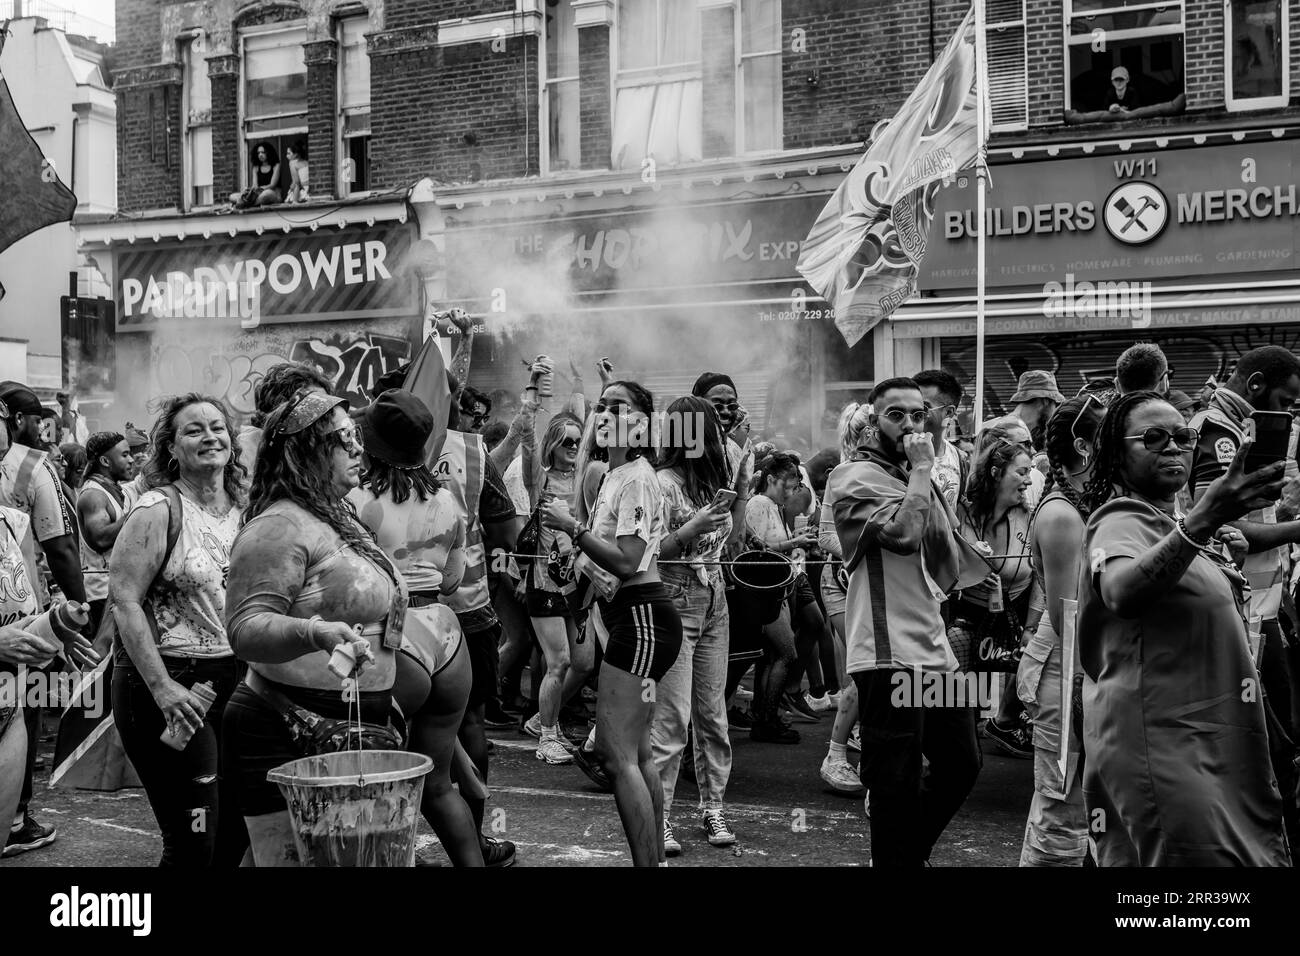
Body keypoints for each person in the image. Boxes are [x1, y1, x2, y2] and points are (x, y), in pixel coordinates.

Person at [1078, 390, 1290, 865]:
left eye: (1183, 436)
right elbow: (1121, 592)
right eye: (1153, 437)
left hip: (1202, 740)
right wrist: (1202, 521)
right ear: (1115, 453)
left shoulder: (1164, 523)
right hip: (1164, 745)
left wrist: (1213, 549)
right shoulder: (1118, 520)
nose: (1173, 446)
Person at [222, 389, 401, 866]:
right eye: (346, 438)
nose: (360, 447)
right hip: (284, 725)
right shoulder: (277, 527)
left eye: (357, 434)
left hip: (351, 721)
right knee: (285, 862)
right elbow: (243, 628)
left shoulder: (340, 514)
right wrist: (315, 633)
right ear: (308, 451)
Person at [829, 377, 988, 868]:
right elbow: (903, 534)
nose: (911, 424)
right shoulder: (852, 476)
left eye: (919, 414)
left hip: (934, 650)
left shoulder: (914, 475)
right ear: (873, 422)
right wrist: (923, 467)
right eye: (896, 415)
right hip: (885, 651)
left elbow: (947, 551)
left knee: (963, 763)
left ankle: (903, 856)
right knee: (894, 783)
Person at [540, 380, 683, 867]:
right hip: (631, 619)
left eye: (617, 407)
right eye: (601, 406)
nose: (604, 414)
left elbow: (628, 560)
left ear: (643, 422)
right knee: (638, 757)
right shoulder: (614, 476)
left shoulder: (639, 477)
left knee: (616, 756)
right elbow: (604, 567)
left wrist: (571, 527)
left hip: (642, 621)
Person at [109, 394, 246, 867]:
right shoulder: (156, 510)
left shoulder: (246, 510)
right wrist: (163, 688)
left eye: (218, 427)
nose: (210, 436)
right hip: (168, 689)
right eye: (194, 430)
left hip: (232, 685)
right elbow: (124, 602)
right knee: (194, 837)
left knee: (234, 834)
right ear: (171, 448)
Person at [348, 389, 482, 866]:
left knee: (372, 777)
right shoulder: (447, 500)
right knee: (437, 784)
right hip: (444, 635)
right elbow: (452, 580)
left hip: (389, 635)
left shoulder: (355, 500)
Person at [1187, 345, 1300, 850]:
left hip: (1260, 608)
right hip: (1236, 610)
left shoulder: (1247, 429)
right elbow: (1228, 528)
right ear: (1255, 387)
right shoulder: (1219, 433)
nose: (1291, 411)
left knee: (1278, 743)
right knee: (1269, 748)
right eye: (1286, 398)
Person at [0, 381, 85, 859]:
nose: (42, 428)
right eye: (36, 419)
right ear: (19, 420)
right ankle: (14, 817)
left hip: (15, 620)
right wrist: (78, 611)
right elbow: (60, 544)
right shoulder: (33, 465)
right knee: (21, 713)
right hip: (21, 621)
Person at [1018, 395, 1104, 865]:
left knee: (1088, 803)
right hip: (1066, 666)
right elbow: (1067, 616)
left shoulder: (1085, 503)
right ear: (1084, 447)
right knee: (1061, 804)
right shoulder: (1061, 516)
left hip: (1084, 663)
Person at [652, 396, 737, 855]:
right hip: (674, 596)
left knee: (713, 715)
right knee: (671, 719)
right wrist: (693, 527)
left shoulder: (712, 481)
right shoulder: (660, 483)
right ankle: (660, 816)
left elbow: (730, 539)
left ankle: (713, 806)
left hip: (715, 598)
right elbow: (649, 552)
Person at [953, 439, 1043, 758]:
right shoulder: (961, 509)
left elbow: (1041, 580)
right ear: (995, 473)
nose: (1029, 480)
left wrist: (1031, 627)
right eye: (1021, 472)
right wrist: (966, 561)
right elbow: (937, 564)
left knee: (1037, 647)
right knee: (956, 656)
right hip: (967, 612)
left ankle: (1003, 720)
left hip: (1015, 615)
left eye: (1030, 471)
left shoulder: (1031, 514)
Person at [744, 452, 820, 742]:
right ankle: (766, 720)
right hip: (764, 592)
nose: (790, 493)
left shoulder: (773, 506)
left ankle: (764, 718)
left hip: (777, 588)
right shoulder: (760, 503)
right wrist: (794, 542)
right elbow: (758, 551)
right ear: (771, 479)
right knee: (786, 653)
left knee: (772, 656)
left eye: (794, 487)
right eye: (786, 486)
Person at [816, 404, 871, 794]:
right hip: (840, 582)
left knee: (876, 674)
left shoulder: (897, 472)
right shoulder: (840, 475)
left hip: (874, 584)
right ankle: (835, 756)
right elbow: (824, 538)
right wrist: (865, 548)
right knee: (859, 673)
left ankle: (863, 741)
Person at [77, 432, 134, 638]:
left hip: (115, 588)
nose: (131, 459)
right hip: (100, 592)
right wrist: (135, 517)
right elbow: (100, 538)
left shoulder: (114, 489)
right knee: (103, 659)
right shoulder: (94, 495)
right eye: (125, 455)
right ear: (105, 461)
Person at [238, 362, 334, 479]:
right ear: (280, 414)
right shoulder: (244, 465)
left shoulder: (312, 456)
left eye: (325, 411)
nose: (323, 421)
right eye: (312, 409)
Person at [914, 369, 969, 510]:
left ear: (949, 412)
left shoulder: (959, 460)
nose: (914, 413)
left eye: (923, 407)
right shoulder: (901, 453)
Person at [1007, 371, 1065, 452]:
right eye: (1055, 404)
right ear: (1046, 401)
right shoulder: (1015, 435)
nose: (1055, 410)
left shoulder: (1003, 426)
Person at [231, 141, 282, 208]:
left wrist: (259, 189)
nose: (260, 155)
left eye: (263, 152)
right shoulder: (256, 167)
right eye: (258, 153)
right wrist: (249, 191)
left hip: (273, 194)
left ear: (269, 153)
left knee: (267, 194)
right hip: (258, 194)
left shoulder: (276, 165)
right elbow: (255, 185)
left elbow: (272, 185)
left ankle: (246, 204)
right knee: (232, 196)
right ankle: (248, 203)